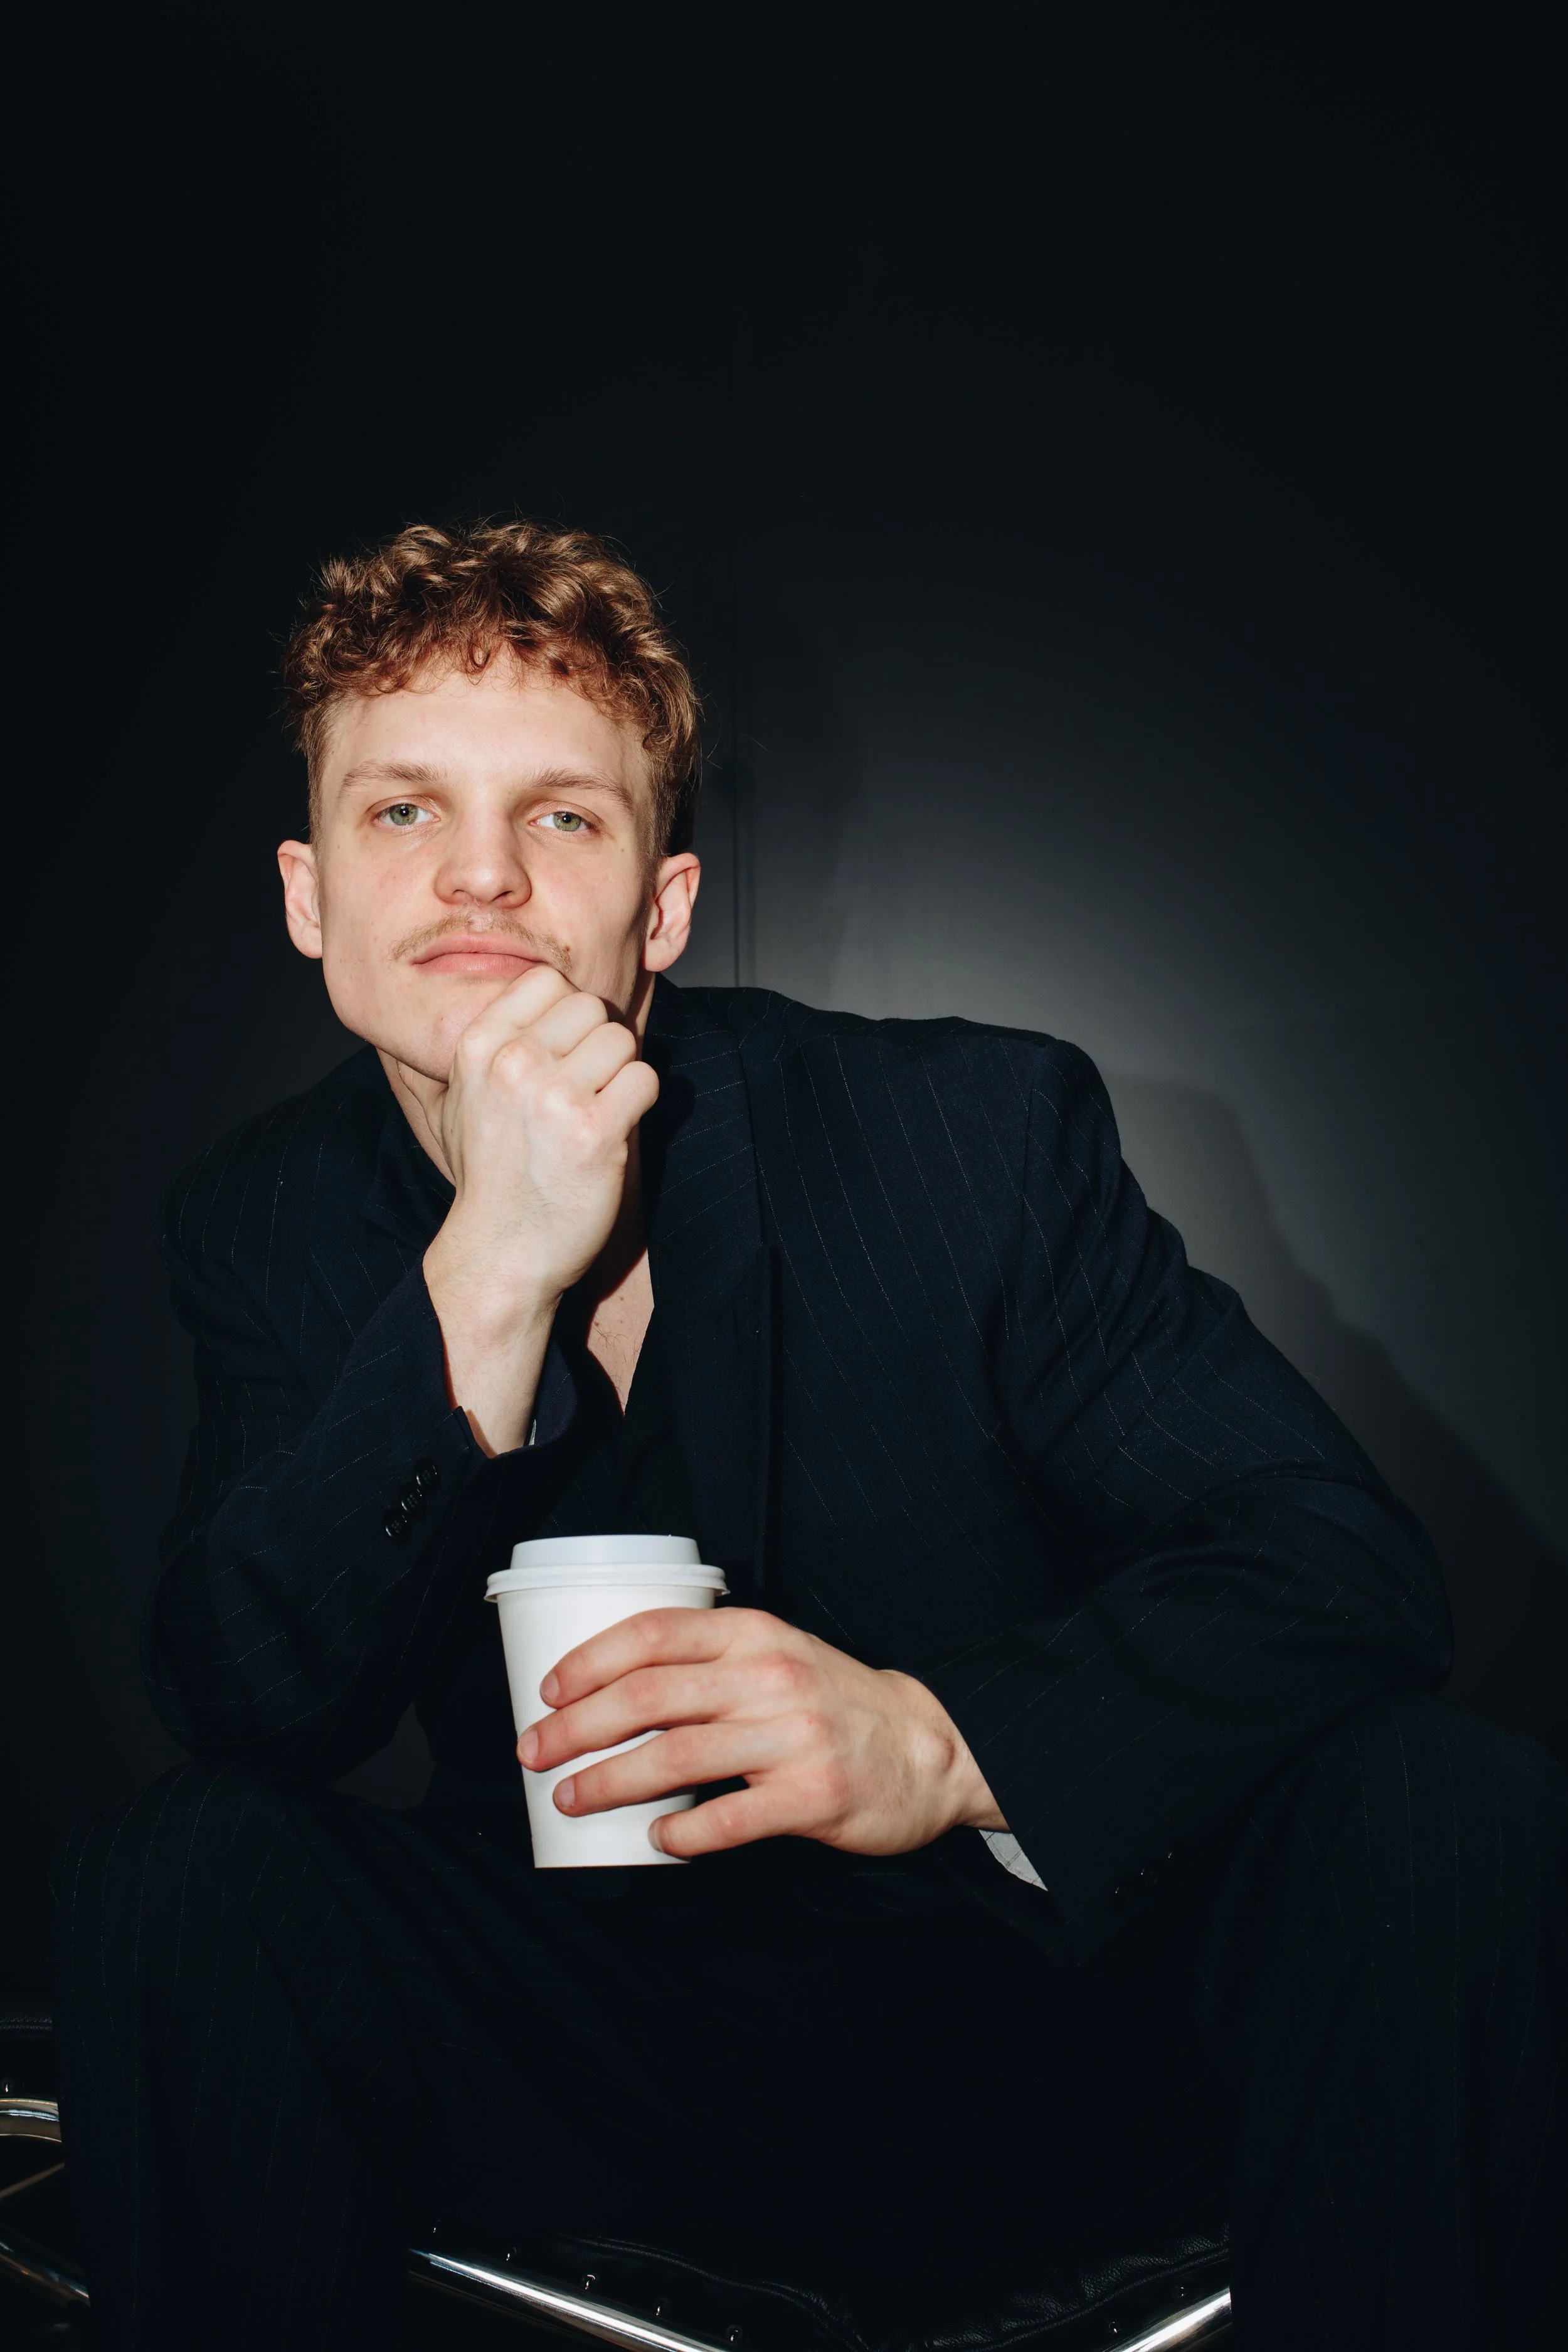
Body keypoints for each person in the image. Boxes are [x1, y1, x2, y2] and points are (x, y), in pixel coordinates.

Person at [53, 521, 1565, 2352]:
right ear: (310, 900)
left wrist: (934, 1741)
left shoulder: (968, 1139)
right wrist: (488, 1278)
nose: (480, 875)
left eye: (561, 816)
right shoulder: (267, 1215)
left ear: (663, 908)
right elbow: (246, 1701)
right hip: (586, 2058)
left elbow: (1338, 1563)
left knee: (1439, 1800)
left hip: (1035, 2029)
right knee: (184, 1878)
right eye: (401, 810)